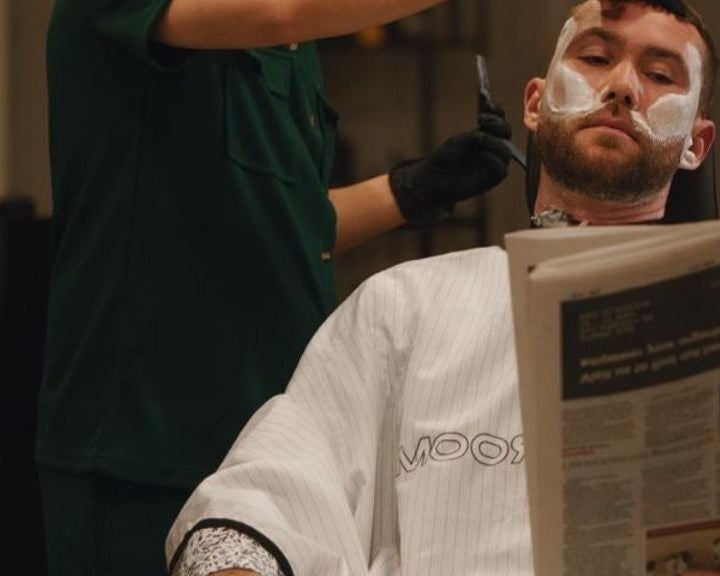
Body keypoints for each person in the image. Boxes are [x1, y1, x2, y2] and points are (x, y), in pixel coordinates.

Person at [166, 0, 720, 575]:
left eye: (660, 75)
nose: (622, 87)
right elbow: (263, 499)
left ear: (697, 144)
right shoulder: (404, 305)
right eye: (595, 58)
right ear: (534, 105)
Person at [38, 0, 513, 574]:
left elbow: (298, 224)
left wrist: (411, 190)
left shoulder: (291, 53)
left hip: (278, 445)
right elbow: (279, 12)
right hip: (146, 450)